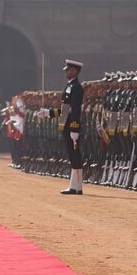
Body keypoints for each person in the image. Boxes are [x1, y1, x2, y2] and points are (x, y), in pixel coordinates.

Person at [37, 60, 85, 194]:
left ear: (74, 71)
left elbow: (75, 110)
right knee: (72, 155)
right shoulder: (70, 86)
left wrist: (74, 128)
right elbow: (65, 110)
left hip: (71, 126)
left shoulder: (76, 87)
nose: (66, 72)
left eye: (68, 70)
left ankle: (76, 187)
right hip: (66, 124)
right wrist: (49, 113)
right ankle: (75, 186)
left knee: (75, 155)